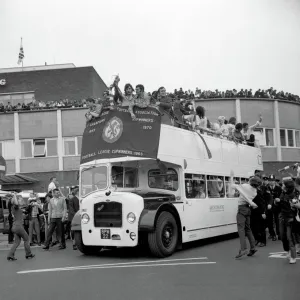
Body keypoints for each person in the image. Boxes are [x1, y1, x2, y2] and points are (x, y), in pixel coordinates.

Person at [229, 171, 262, 259]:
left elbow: (233, 186)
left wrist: (231, 177)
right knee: (248, 229)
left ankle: (243, 249)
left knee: (241, 230)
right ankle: (253, 247)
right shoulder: (255, 192)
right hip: (248, 209)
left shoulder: (244, 186)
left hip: (241, 209)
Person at [274, 178, 298, 264]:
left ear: (287, 186)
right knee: (282, 236)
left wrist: (281, 201)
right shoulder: (283, 193)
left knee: (289, 237)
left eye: (284, 184)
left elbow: (291, 206)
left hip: (290, 217)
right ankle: (287, 251)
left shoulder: (294, 194)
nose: (282, 185)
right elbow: (279, 204)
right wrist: (276, 202)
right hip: (282, 216)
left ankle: (293, 256)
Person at [7, 193, 35, 261]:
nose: (22, 200)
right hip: (18, 226)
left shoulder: (16, 208)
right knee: (27, 239)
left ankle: (10, 255)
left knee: (17, 242)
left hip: (15, 227)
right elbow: (16, 203)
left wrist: (30, 206)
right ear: (16, 200)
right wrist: (14, 195)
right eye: (20, 199)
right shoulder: (15, 206)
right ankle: (28, 254)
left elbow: (25, 212)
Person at [268, 174, 282, 240]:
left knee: (277, 221)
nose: (271, 182)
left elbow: (281, 197)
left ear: (275, 181)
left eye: (272, 180)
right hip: (269, 207)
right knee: (270, 221)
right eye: (270, 180)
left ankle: (279, 234)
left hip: (277, 207)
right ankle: (272, 234)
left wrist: (279, 200)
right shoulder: (266, 188)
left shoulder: (279, 188)